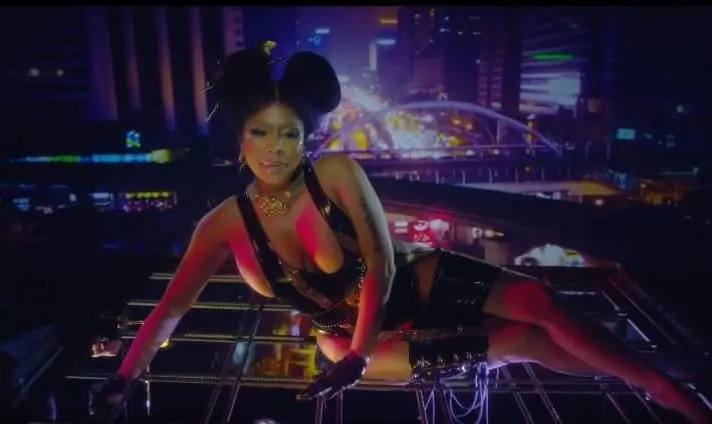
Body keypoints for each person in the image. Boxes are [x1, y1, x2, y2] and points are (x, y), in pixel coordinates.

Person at [91, 48, 711, 424]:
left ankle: (661, 387)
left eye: (289, 133)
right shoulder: (223, 225)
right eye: (261, 132)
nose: (275, 148)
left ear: (306, 137)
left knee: (537, 300)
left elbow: (383, 263)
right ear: (240, 138)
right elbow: (170, 310)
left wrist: (361, 353)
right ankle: (648, 376)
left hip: (410, 285)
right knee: (522, 340)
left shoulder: (337, 173)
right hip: (345, 339)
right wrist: (122, 379)